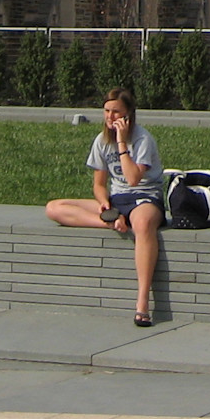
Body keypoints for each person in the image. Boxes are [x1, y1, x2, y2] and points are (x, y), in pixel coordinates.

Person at [45, 87, 164, 325]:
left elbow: (132, 179)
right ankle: (111, 222)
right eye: (107, 111)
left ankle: (142, 302)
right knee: (54, 207)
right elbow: (99, 185)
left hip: (144, 198)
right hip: (117, 200)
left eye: (116, 112)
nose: (110, 117)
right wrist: (104, 205)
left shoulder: (142, 139)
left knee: (141, 224)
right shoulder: (101, 141)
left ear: (128, 114)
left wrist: (121, 142)